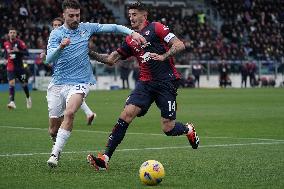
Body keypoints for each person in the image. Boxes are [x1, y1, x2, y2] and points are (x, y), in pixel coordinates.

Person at [87, 1, 199, 171]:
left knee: (168, 128)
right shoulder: (130, 38)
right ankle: (105, 158)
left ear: (144, 15)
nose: (131, 18)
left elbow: (179, 45)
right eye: (129, 14)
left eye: (134, 14)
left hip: (166, 82)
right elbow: (111, 59)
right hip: (145, 83)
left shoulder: (157, 28)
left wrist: (163, 56)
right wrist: (88, 52)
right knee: (126, 114)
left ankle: (188, 129)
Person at [46, 0, 146, 168]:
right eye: (71, 16)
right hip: (58, 84)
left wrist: (132, 33)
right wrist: (60, 48)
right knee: (53, 130)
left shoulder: (86, 27)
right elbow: (49, 59)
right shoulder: (56, 34)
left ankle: (54, 154)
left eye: (77, 15)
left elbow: (113, 27)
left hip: (81, 81)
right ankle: (56, 142)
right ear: (64, 15)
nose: (75, 18)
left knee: (70, 113)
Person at [46, 17, 97, 126]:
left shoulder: (71, 37)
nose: (56, 27)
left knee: (73, 96)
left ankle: (86, 114)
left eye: (57, 25)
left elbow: (85, 47)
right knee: (72, 97)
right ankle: (89, 113)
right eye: (54, 25)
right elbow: (49, 56)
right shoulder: (54, 37)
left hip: (73, 76)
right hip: (59, 75)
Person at [3, 27, 32, 109]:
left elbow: (27, 53)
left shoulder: (20, 43)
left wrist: (18, 50)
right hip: (10, 67)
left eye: (14, 32)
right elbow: (5, 53)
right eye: (11, 32)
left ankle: (28, 97)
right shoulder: (5, 43)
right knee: (11, 83)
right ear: (8, 34)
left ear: (16, 34)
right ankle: (12, 102)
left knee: (24, 84)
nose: (12, 34)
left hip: (20, 68)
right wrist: (5, 59)